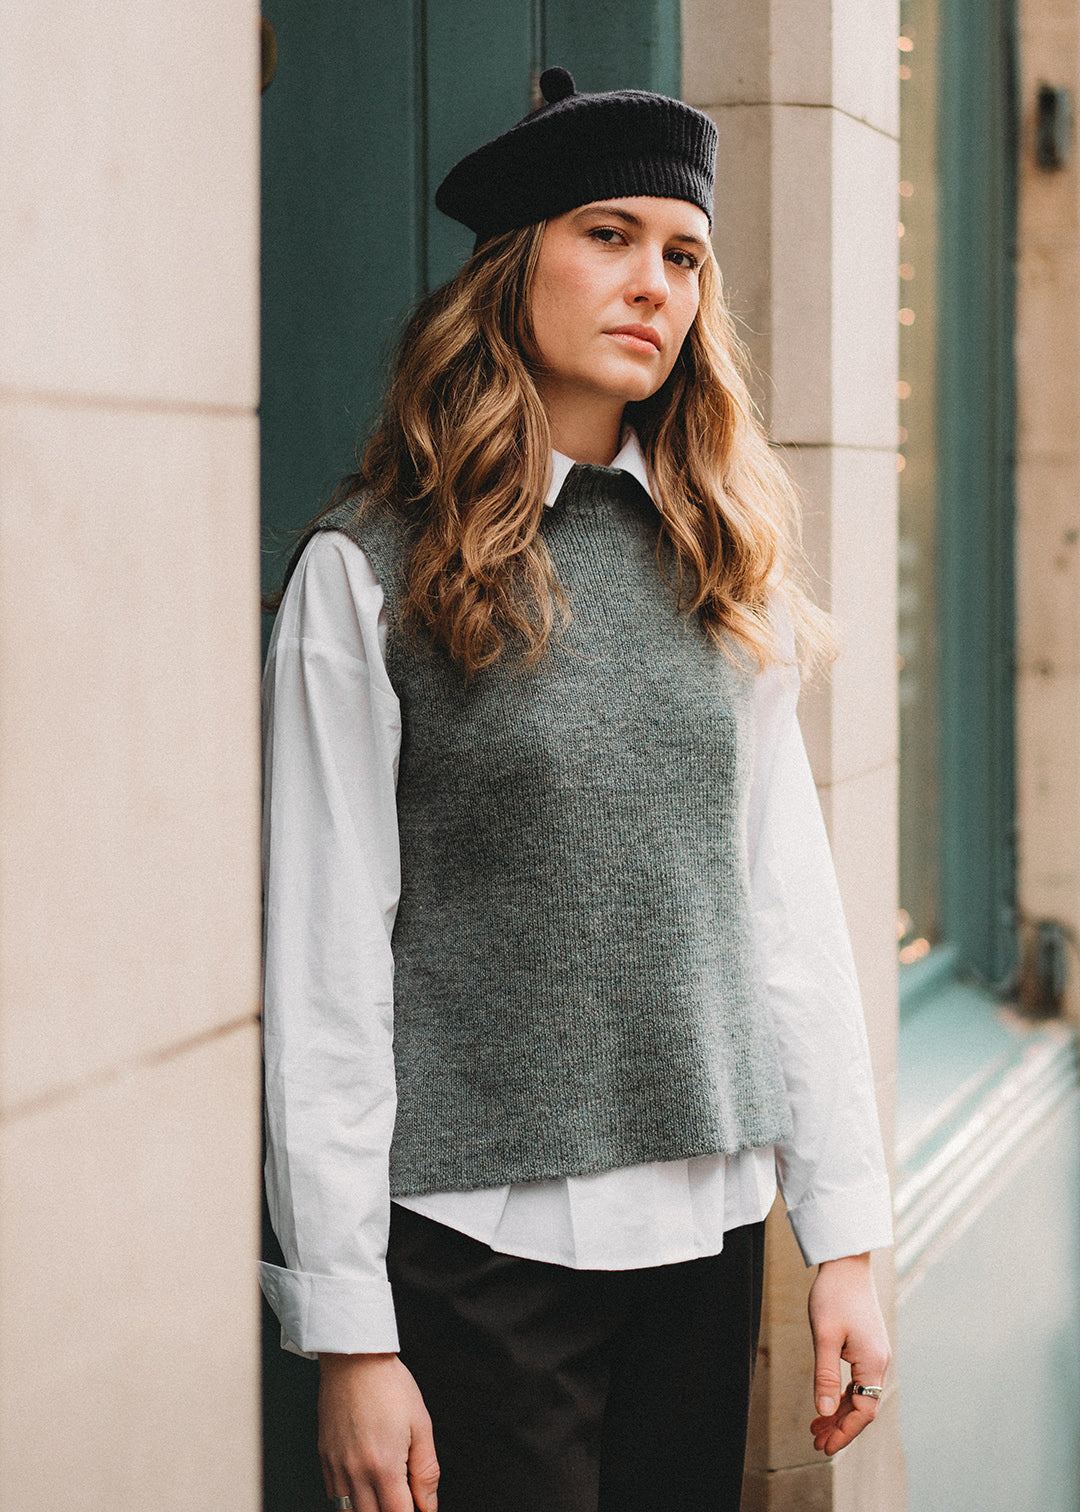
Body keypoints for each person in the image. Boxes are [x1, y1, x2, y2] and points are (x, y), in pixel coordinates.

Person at [260, 67, 894, 1512]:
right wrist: (351, 1333)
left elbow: (785, 917)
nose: (652, 285)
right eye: (608, 236)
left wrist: (843, 1237)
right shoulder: (363, 581)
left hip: (708, 1235)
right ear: (512, 266)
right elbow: (326, 975)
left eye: (682, 255)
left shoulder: (717, 567)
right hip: (477, 1253)